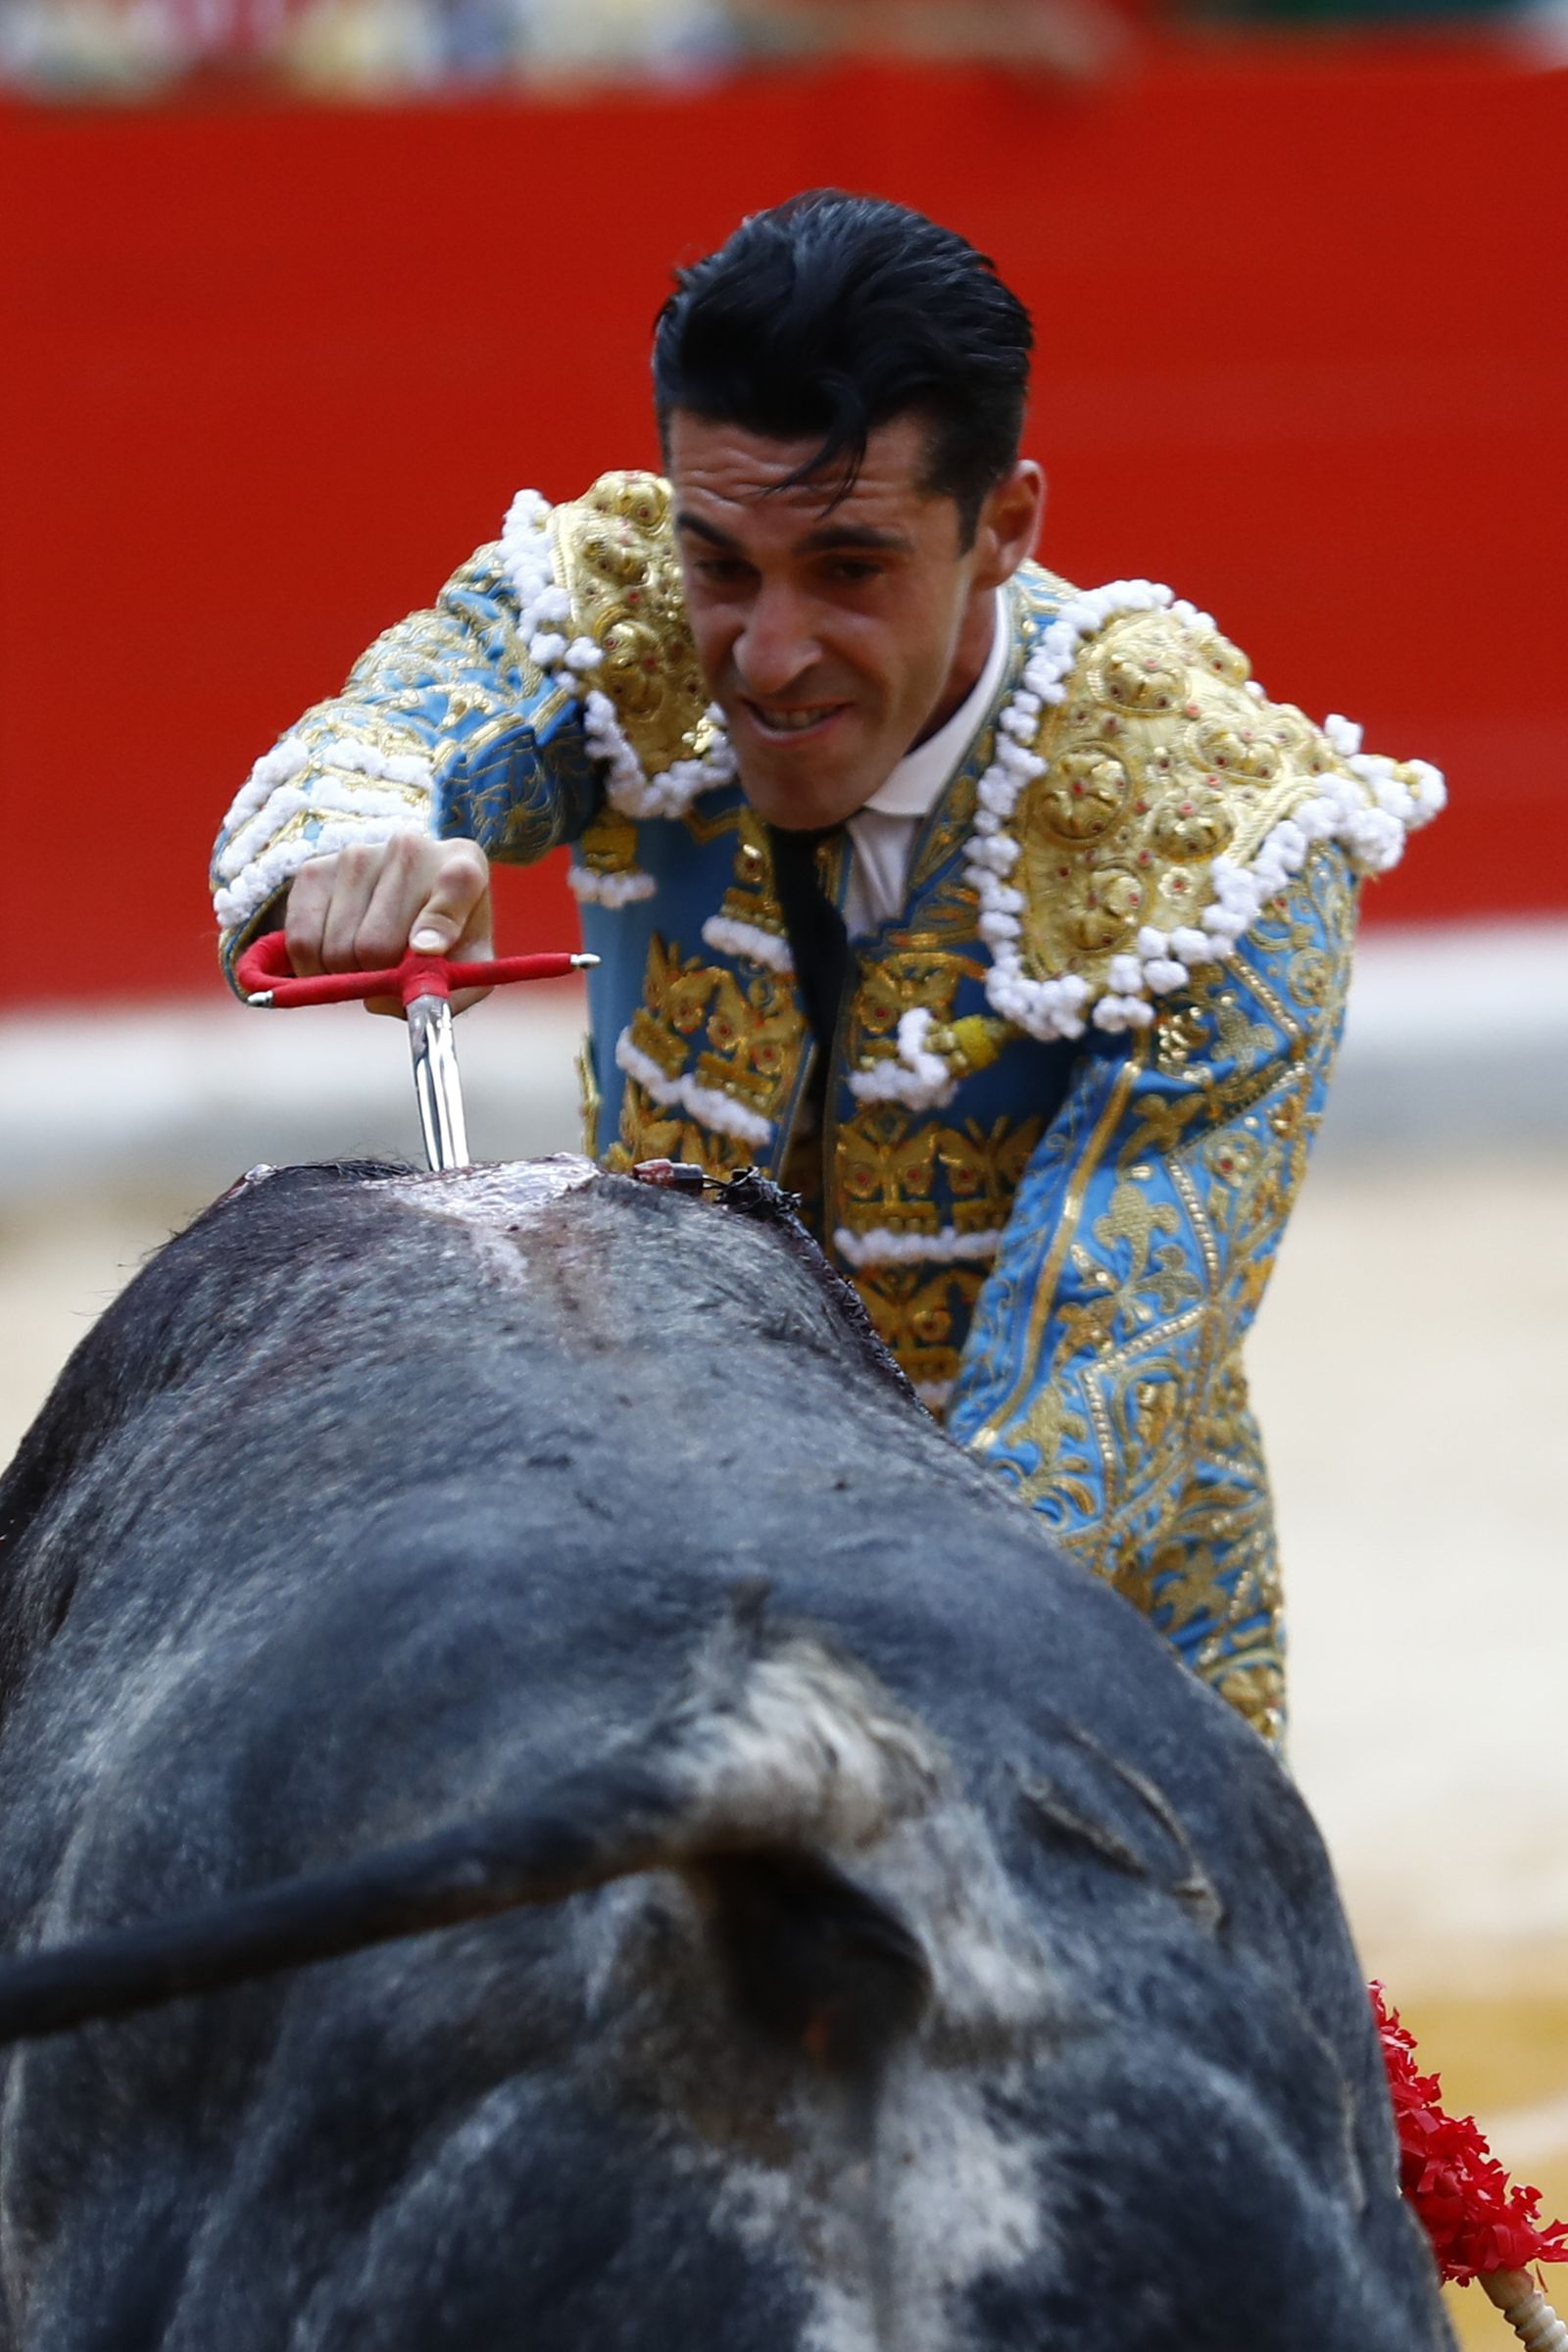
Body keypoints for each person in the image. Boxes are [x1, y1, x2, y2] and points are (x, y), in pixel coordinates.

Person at [211, 190, 1443, 1747]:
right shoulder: (623, 614)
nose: (768, 653)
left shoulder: (1219, 844)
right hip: (657, 1546)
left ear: (1004, 528)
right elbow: (384, 739)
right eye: (723, 562)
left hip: (1084, 1664)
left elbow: (1085, 1431)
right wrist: (365, 842)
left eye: (851, 570)